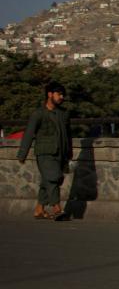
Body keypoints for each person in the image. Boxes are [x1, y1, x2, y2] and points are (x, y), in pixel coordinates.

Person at [17, 81, 73, 220]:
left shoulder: (63, 114)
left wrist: (69, 152)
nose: (62, 97)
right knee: (54, 178)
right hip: (44, 153)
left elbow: (68, 135)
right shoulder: (38, 114)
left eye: (62, 94)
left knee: (48, 180)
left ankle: (39, 209)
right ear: (50, 94)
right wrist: (22, 154)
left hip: (60, 152)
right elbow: (29, 133)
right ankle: (57, 209)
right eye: (59, 94)